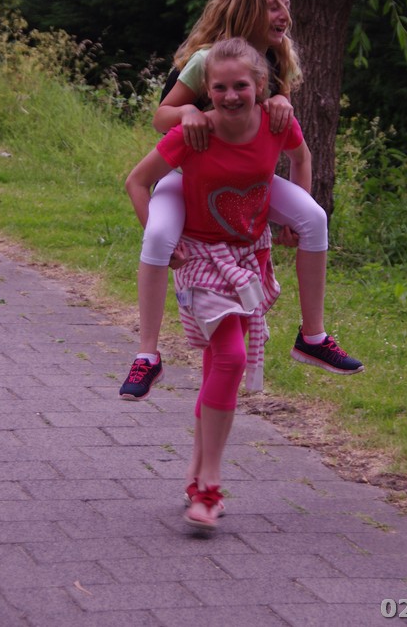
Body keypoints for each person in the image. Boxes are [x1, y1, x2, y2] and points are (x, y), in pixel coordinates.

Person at [120, 0, 363, 401]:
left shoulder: (274, 57)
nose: (284, 13)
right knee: (157, 236)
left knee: (313, 218)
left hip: (246, 176)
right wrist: (188, 112)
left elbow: (286, 137)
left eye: (286, 4)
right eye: (272, 5)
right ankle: (147, 355)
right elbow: (161, 117)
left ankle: (312, 335)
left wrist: (282, 99)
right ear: (247, 10)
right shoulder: (207, 59)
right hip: (186, 173)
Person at [125, 38, 329, 530]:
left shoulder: (277, 123)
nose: (230, 96)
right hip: (200, 257)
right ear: (206, 90)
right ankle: (210, 487)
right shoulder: (194, 132)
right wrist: (165, 241)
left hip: (248, 256)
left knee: (220, 364)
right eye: (219, 88)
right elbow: (137, 180)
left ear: (261, 86)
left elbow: (301, 159)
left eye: (240, 86)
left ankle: (196, 477)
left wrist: (292, 220)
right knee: (231, 358)